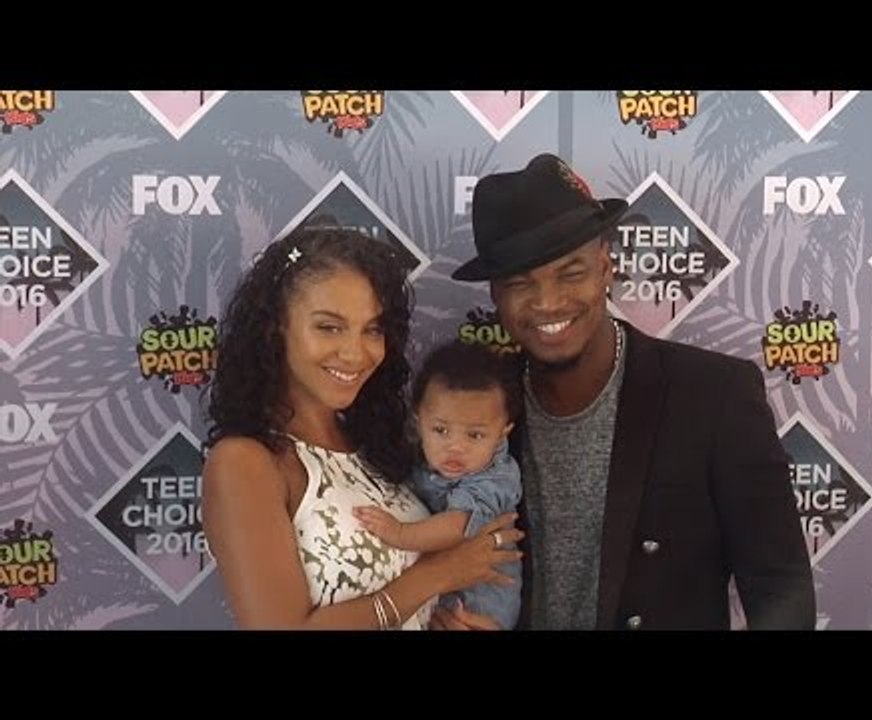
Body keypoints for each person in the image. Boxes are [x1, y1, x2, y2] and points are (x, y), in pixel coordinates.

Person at [437, 153, 815, 630]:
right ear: (495, 295)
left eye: (570, 272)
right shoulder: (478, 412)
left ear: (605, 267)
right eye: (520, 283)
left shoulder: (716, 395)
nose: (548, 301)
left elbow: (782, 587)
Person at [201, 227, 522, 630]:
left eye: (372, 329)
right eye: (328, 327)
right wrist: (437, 575)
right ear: (276, 326)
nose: (355, 352)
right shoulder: (244, 462)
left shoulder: (377, 445)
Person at [354, 341, 523, 629]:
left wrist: (400, 533)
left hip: (477, 608)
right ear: (419, 422)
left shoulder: (498, 477)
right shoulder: (418, 458)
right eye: (441, 430)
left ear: (503, 432)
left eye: (475, 435)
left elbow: (458, 526)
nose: (455, 447)